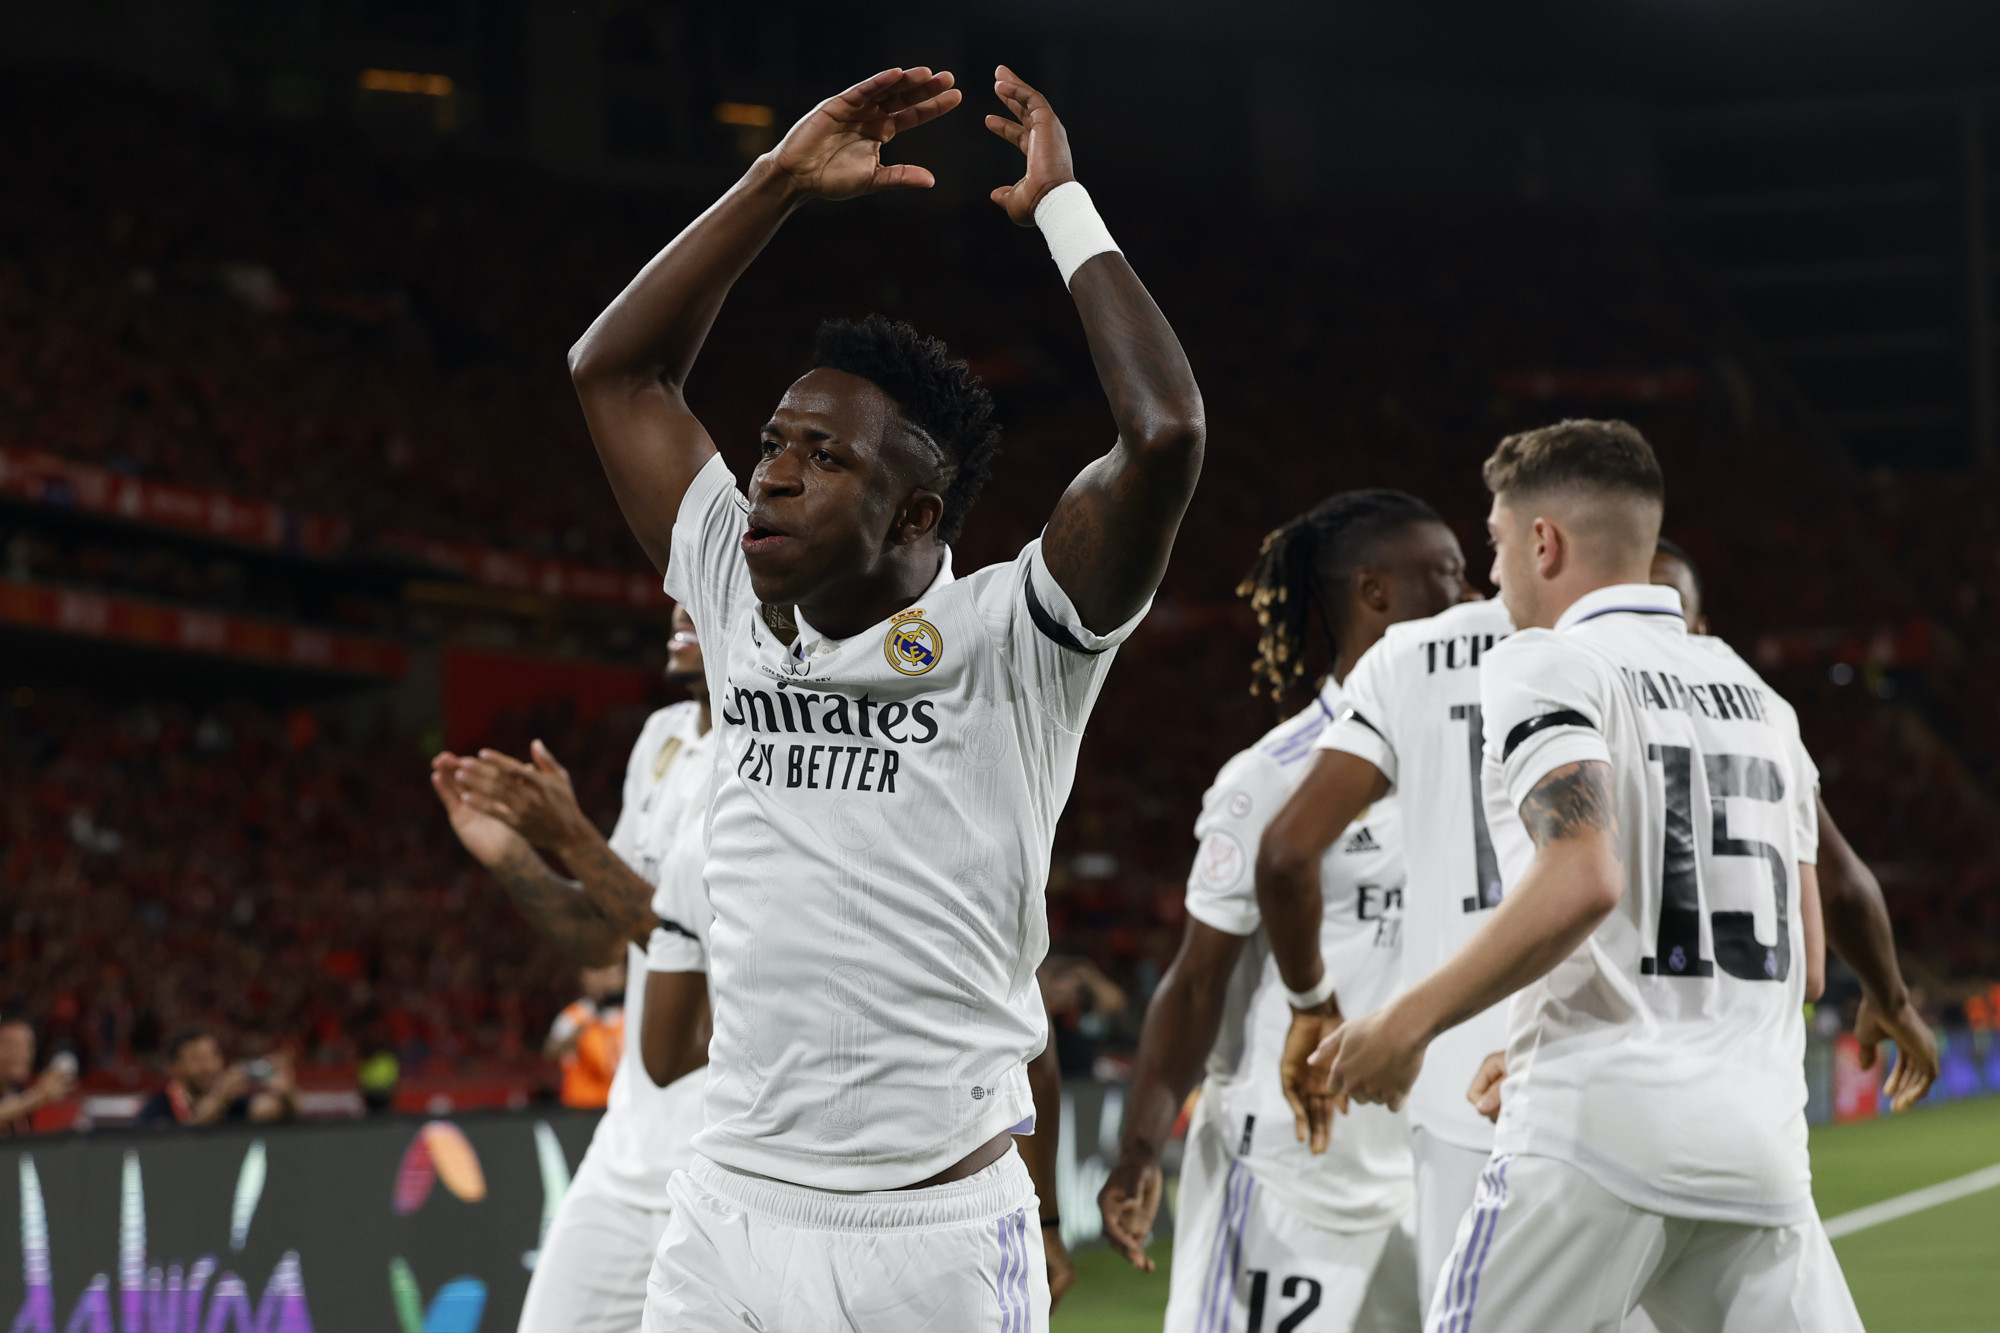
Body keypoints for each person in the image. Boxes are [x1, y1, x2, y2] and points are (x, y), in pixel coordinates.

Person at [568, 58, 1202, 1331]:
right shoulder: (731, 585)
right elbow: (614, 373)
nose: (772, 477)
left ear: (918, 511)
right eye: (769, 445)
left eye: (822, 455)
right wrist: (776, 182)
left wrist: (1067, 211)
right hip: (726, 1206)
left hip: (933, 1230)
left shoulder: (1017, 633)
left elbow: (1163, 438)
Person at [1312, 419, 1935, 1332]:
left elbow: (1585, 877)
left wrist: (1408, 1025)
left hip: (1591, 1140)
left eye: (1494, 543)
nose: (1490, 579)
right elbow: (1805, 963)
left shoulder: (1545, 659)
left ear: (1542, 542)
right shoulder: (1758, 698)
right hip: (1758, 1150)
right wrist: (1889, 990)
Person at [1100, 491, 1476, 1333]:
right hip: (1287, 1176)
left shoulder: (1470, 762)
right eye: (1447, 576)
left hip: (1422, 1170)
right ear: (1375, 594)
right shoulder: (1269, 778)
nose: (1472, 595)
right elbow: (1197, 983)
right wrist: (1138, 1151)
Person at [433, 604, 717, 1333]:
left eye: (704, 580)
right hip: (629, 1151)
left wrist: (574, 835)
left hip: (733, 1160)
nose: (678, 604)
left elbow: (696, 944)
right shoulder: (664, 736)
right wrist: (513, 855)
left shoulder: (782, 754)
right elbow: (606, 937)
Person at [1253, 519, 1513, 1317]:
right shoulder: (1568, 649)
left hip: (1444, 1095)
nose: (1471, 584)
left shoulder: (1410, 668)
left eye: (1481, 558)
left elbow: (1287, 852)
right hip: (1582, 1072)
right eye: (1452, 568)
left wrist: (1320, 1008)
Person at [136, 1028, 298, 1127]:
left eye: (213, 1056)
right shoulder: (157, 1109)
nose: (209, 1067)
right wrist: (219, 1097)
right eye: (197, 1059)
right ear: (173, 1068)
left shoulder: (230, 1105)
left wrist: (285, 1091)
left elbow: (277, 1111)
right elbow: (179, 1137)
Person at [548, 960, 628, 1109]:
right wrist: (587, 1022)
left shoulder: (632, 1014)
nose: (605, 979)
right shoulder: (576, 1014)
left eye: (612, 973)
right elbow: (552, 1051)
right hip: (583, 1106)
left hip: (623, 1105)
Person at [0, 1018, 75, 1137]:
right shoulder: (32, 1096)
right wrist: (38, 1096)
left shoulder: (22, 1090)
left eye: (27, 1045)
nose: (20, 1053)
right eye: (10, 1044)